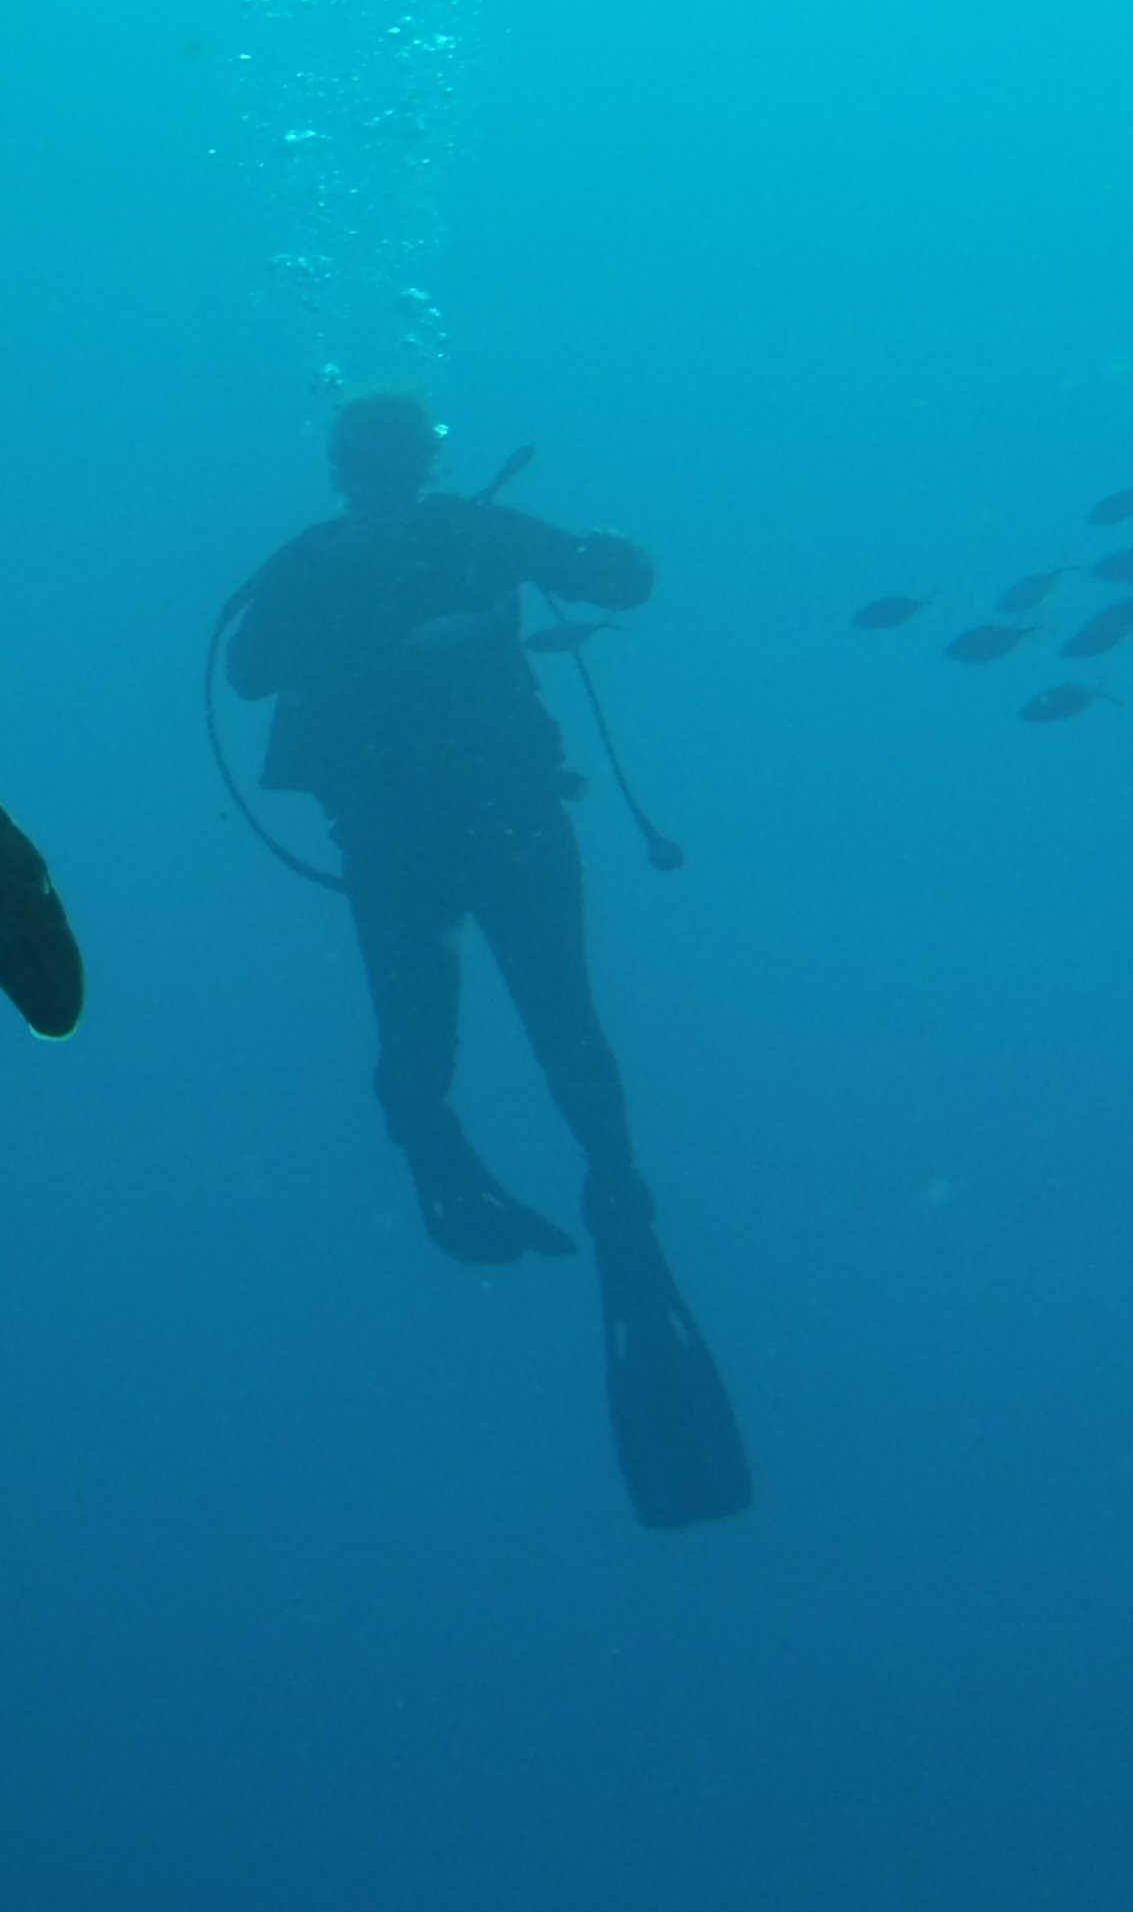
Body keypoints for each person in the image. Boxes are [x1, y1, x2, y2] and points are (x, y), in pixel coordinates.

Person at [226, 391, 751, 1522]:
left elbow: (614, 579)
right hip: (453, 827)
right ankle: (521, 1170)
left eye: (386, 464)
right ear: (375, 467)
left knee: (498, 1035)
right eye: (376, 464)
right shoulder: (380, 545)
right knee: (496, 1034)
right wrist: (336, 584)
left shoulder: (410, 539)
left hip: (451, 826)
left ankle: (534, 1175)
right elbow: (250, 671)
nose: (381, 479)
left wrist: (605, 554)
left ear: (386, 467)